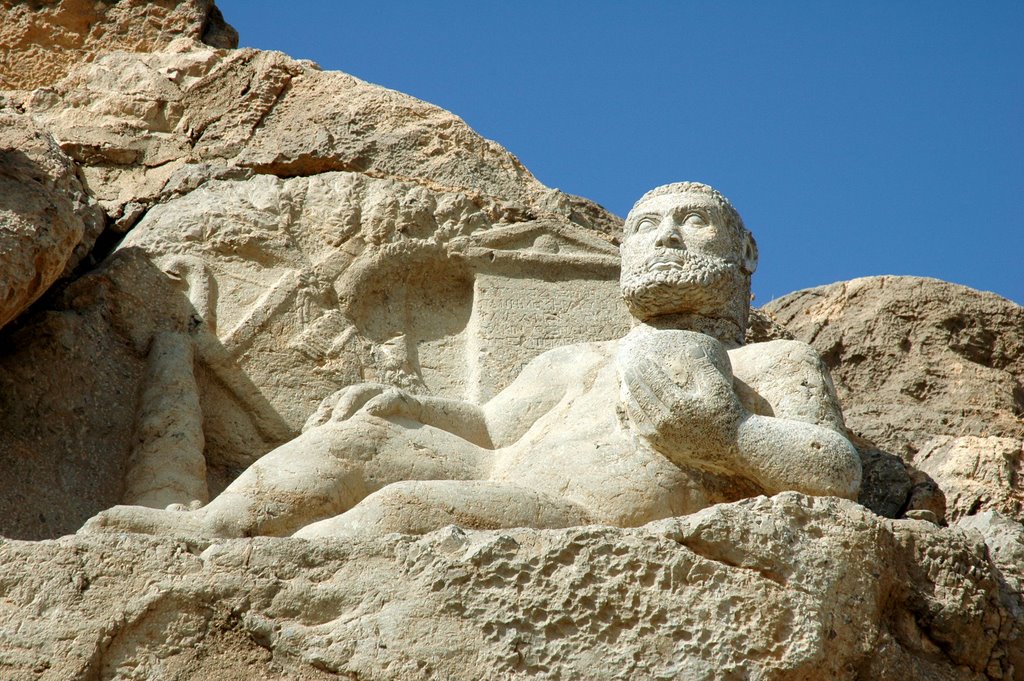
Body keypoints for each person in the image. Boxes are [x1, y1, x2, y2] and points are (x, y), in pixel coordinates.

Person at [82, 182, 861, 540]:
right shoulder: (577, 358)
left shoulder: (776, 361)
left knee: (404, 508)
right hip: (502, 472)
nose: (662, 237)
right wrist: (410, 407)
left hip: (575, 520)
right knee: (356, 443)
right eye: (645, 224)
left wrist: (728, 440)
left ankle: (273, 569)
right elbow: (489, 425)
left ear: (746, 252)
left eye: (693, 223)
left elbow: (838, 470)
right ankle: (207, 530)